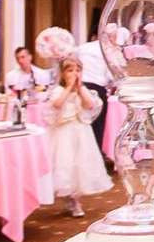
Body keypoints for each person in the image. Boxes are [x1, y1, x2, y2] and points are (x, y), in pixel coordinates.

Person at [45, 55, 111, 217]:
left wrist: (80, 89)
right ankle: (69, 198)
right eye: (70, 70)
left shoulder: (83, 90)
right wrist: (68, 88)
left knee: (80, 164)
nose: (75, 74)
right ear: (63, 74)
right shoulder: (59, 90)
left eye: (78, 70)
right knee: (65, 164)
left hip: (81, 131)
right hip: (63, 133)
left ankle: (76, 200)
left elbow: (90, 105)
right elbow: (57, 104)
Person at [77, 37, 114, 167]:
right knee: (97, 127)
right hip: (97, 89)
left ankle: (81, 160)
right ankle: (94, 161)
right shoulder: (108, 49)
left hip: (80, 87)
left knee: (82, 124)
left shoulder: (82, 47)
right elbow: (111, 75)